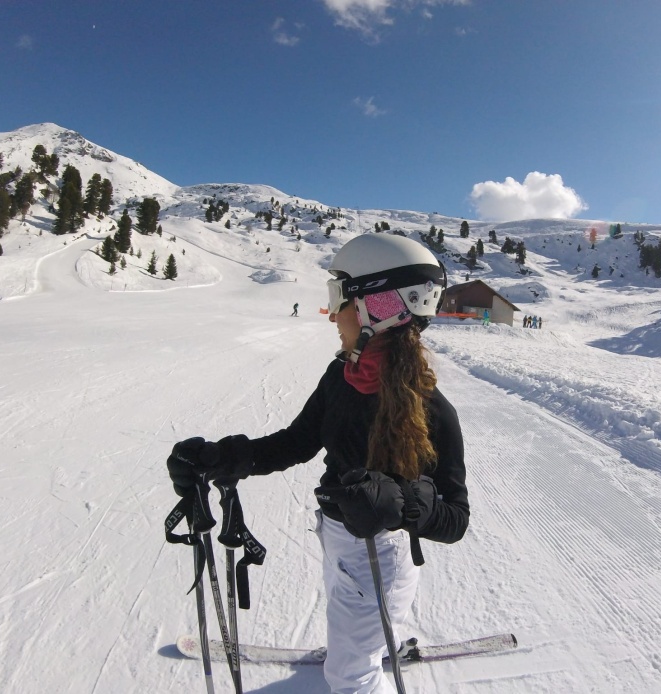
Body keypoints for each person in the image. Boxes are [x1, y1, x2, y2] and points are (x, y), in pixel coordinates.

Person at [167, 234, 469, 694]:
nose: (331, 314)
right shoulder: (341, 377)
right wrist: (220, 457)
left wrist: (405, 503)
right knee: (350, 630)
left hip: (382, 557)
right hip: (337, 539)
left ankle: (365, 652)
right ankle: (372, 640)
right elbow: (296, 442)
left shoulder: (433, 411)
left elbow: (456, 518)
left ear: (380, 308)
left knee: (349, 678)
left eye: (338, 299)